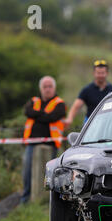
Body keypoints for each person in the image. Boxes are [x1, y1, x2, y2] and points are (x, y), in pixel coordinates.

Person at [21, 76, 66, 204]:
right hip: (31, 144)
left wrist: (37, 114)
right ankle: (25, 200)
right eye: (45, 87)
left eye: (50, 86)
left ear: (54, 88)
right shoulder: (34, 100)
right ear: (41, 89)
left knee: (48, 175)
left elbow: (52, 117)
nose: (47, 89)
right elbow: (27, 112)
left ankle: (46, 201)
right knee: (27, 172)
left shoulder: (59, 103)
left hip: (50, 145)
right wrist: (44, 115)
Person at [64, 60, 112, 128]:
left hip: (108, 123)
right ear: (94, 73)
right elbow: (76, 106)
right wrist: (70, 118)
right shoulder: (87, 90)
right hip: (91, 124)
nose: (100, 75)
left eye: (102, 73)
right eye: (98, 73)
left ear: (107, 73)